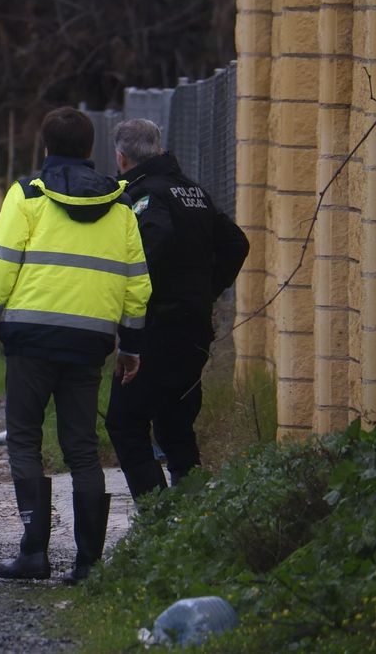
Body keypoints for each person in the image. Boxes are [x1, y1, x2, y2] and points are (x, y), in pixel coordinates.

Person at [0, 107, 150, 584]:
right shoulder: (121, 204)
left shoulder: (28, 195)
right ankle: (88, 562)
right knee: (82, 448)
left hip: (31, 338)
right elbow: (137, 282)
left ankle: (34, 553)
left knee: (24, 439)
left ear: (46, 148)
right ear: (91, 149)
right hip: (90, 342)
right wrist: (130, 345)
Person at [105, 119, 249, 501]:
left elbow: (156, 242)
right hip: (193, 326)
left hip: (158, 328)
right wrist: (205, 291)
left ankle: (158, 516)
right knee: (175, 426)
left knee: (124, 422)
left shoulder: (142, 195)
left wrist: (139, 300)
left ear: (121, 158)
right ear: (158, 148)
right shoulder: (193, 191)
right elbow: (236, 243)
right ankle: (190, 515)